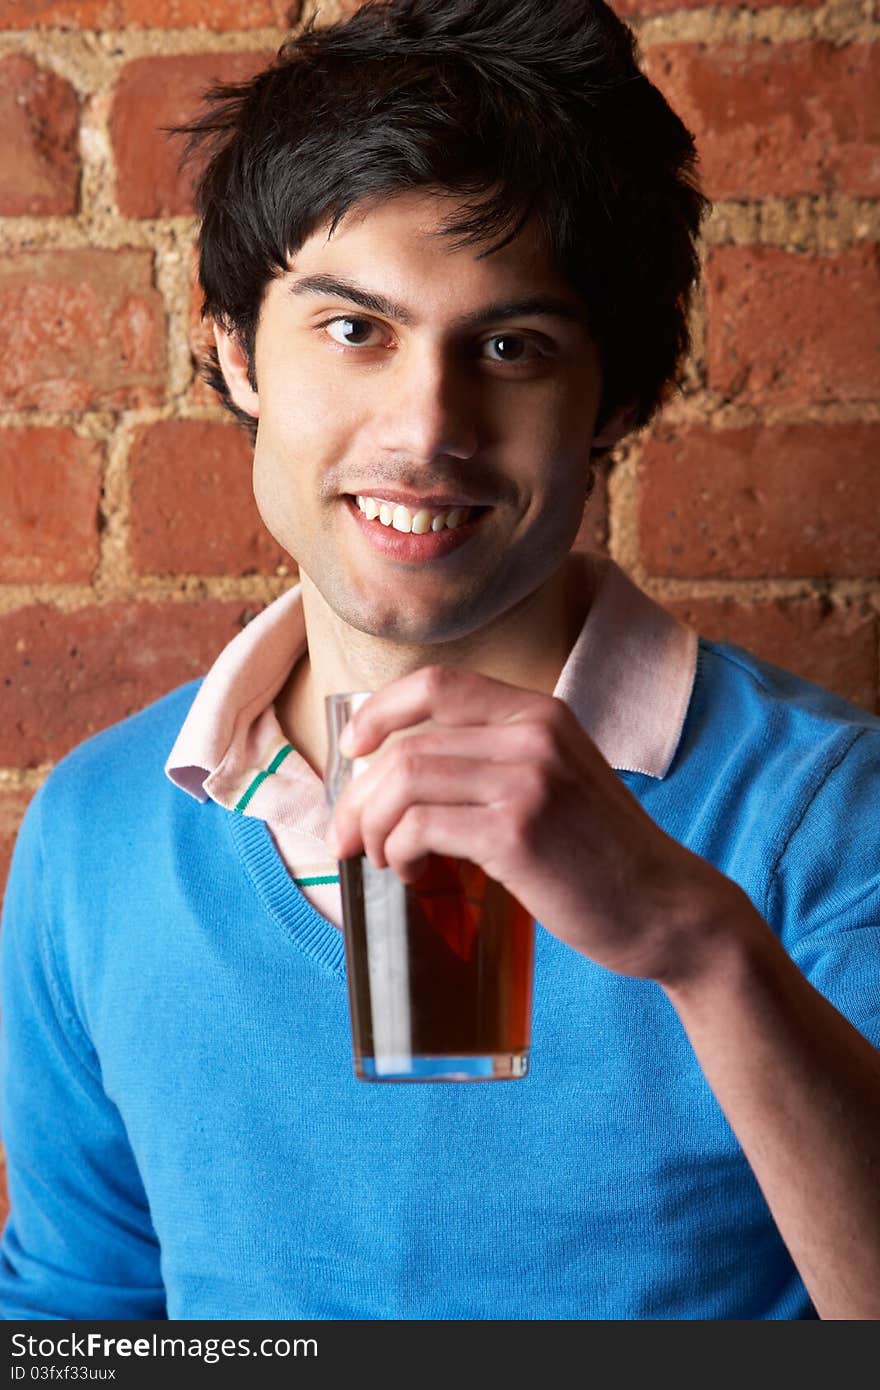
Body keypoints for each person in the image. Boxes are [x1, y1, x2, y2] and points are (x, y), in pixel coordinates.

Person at [1, 0, 878, 1322]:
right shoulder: (95, 830)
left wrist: (697, 941)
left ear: (619, 400)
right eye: (354, 329)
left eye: (512, 348)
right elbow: (81, 1317)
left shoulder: (819, 810)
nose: (426, 428)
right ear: (237, 352)